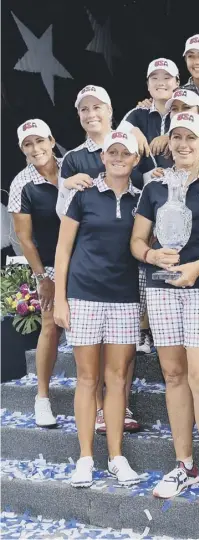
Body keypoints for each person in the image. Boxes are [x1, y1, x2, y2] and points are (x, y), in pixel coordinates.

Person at [130, 112, 199, 512]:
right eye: (176, 137)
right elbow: (137, 241)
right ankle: (184, 465)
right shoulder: (155, 186)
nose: (182, 144)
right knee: (173, 374)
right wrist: (151, 255)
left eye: (190, 138)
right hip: (162, 287)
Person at [53, 130, 142, 488]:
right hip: (84, 295)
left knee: (118, 380)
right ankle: (86, 458)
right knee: (88, 378)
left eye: (126, 153)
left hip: (124, 298)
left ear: (136, 160)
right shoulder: (83, 196)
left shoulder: (143, 199)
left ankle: (116, 457)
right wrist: (60, 298)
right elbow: (63, 250)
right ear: (103, 157)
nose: (119, 157)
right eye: (112, 152)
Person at [119, 58, 181, 354]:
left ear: (177, 82)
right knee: (147, 259)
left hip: (183, 198)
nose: (161, 83)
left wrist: (169, 135)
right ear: (147, 84)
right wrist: (133, 132)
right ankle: (145, 328)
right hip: (149, 198)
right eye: (154, 78)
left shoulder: (185, 106)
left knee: (178, 255)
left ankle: (172, 326)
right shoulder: (136, 114)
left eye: (167, 78)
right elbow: (116, 143)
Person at [8, 119, 62, 428]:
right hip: (50, 264)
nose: (36, 148)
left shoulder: (72, 167)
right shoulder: (21, 183)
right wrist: (43, 278)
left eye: (40, 141)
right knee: (49, 326)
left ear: (52, 140)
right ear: (22, 149)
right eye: (28, 144)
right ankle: (42, 398)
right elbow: (24, 238)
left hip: (84, 262)